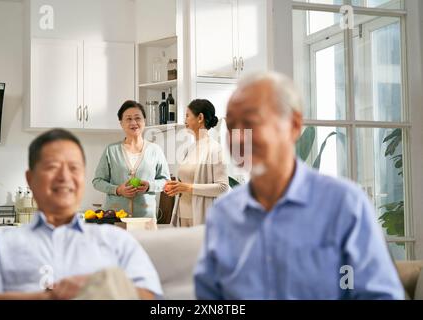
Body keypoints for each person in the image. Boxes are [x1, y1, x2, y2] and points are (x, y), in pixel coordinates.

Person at [194, 72, 405, 300]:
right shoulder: (223, 214)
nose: (238, 137)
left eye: (251, 122)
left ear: (293, 126)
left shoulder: (345, 204)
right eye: (232, 125)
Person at [0, 129, 162, 300]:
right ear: (30, 179)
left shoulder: (119, 242)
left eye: (74, 168)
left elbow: (153, 299)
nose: (64, 177)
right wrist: (49, 297)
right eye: (52, 167)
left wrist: (99, 288)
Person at [93, 100, 170, 218]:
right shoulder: (111, 150)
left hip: (145, 218)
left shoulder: (155, 150)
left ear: (144, 121)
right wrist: (118, 190)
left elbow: (166, 181)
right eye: (128, 119)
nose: (134, 122)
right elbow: (97, 181)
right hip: (116, 217)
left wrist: (149, 186)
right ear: (121, 123)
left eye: (138, 118)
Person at [165, 99, 229, 227]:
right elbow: (185, 182)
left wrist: (189, 187)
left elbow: (223, 187)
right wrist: (176, 187)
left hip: (202, 217)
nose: (185, 121)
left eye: (187, 115)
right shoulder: (189, 148)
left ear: (200, 117)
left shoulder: (215, 149)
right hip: (182, 215)